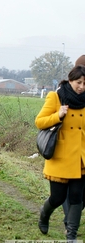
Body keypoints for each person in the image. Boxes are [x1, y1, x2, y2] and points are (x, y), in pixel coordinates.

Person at [36, 65, 85, 243]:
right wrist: (58, 115)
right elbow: (39, 121)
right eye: (78, 82)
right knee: (57, 198)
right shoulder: (55, 96)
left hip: (80, 158)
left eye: (84, 84)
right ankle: (44, 214)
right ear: (70, 80)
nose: (81, 87)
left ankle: (71, 235)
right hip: (60, 156)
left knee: (76, 198)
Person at [61, 55, 85, 233]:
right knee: (68, 190)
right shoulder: (62, 93)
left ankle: (71, 219)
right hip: (67, 150)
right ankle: (70, 224)